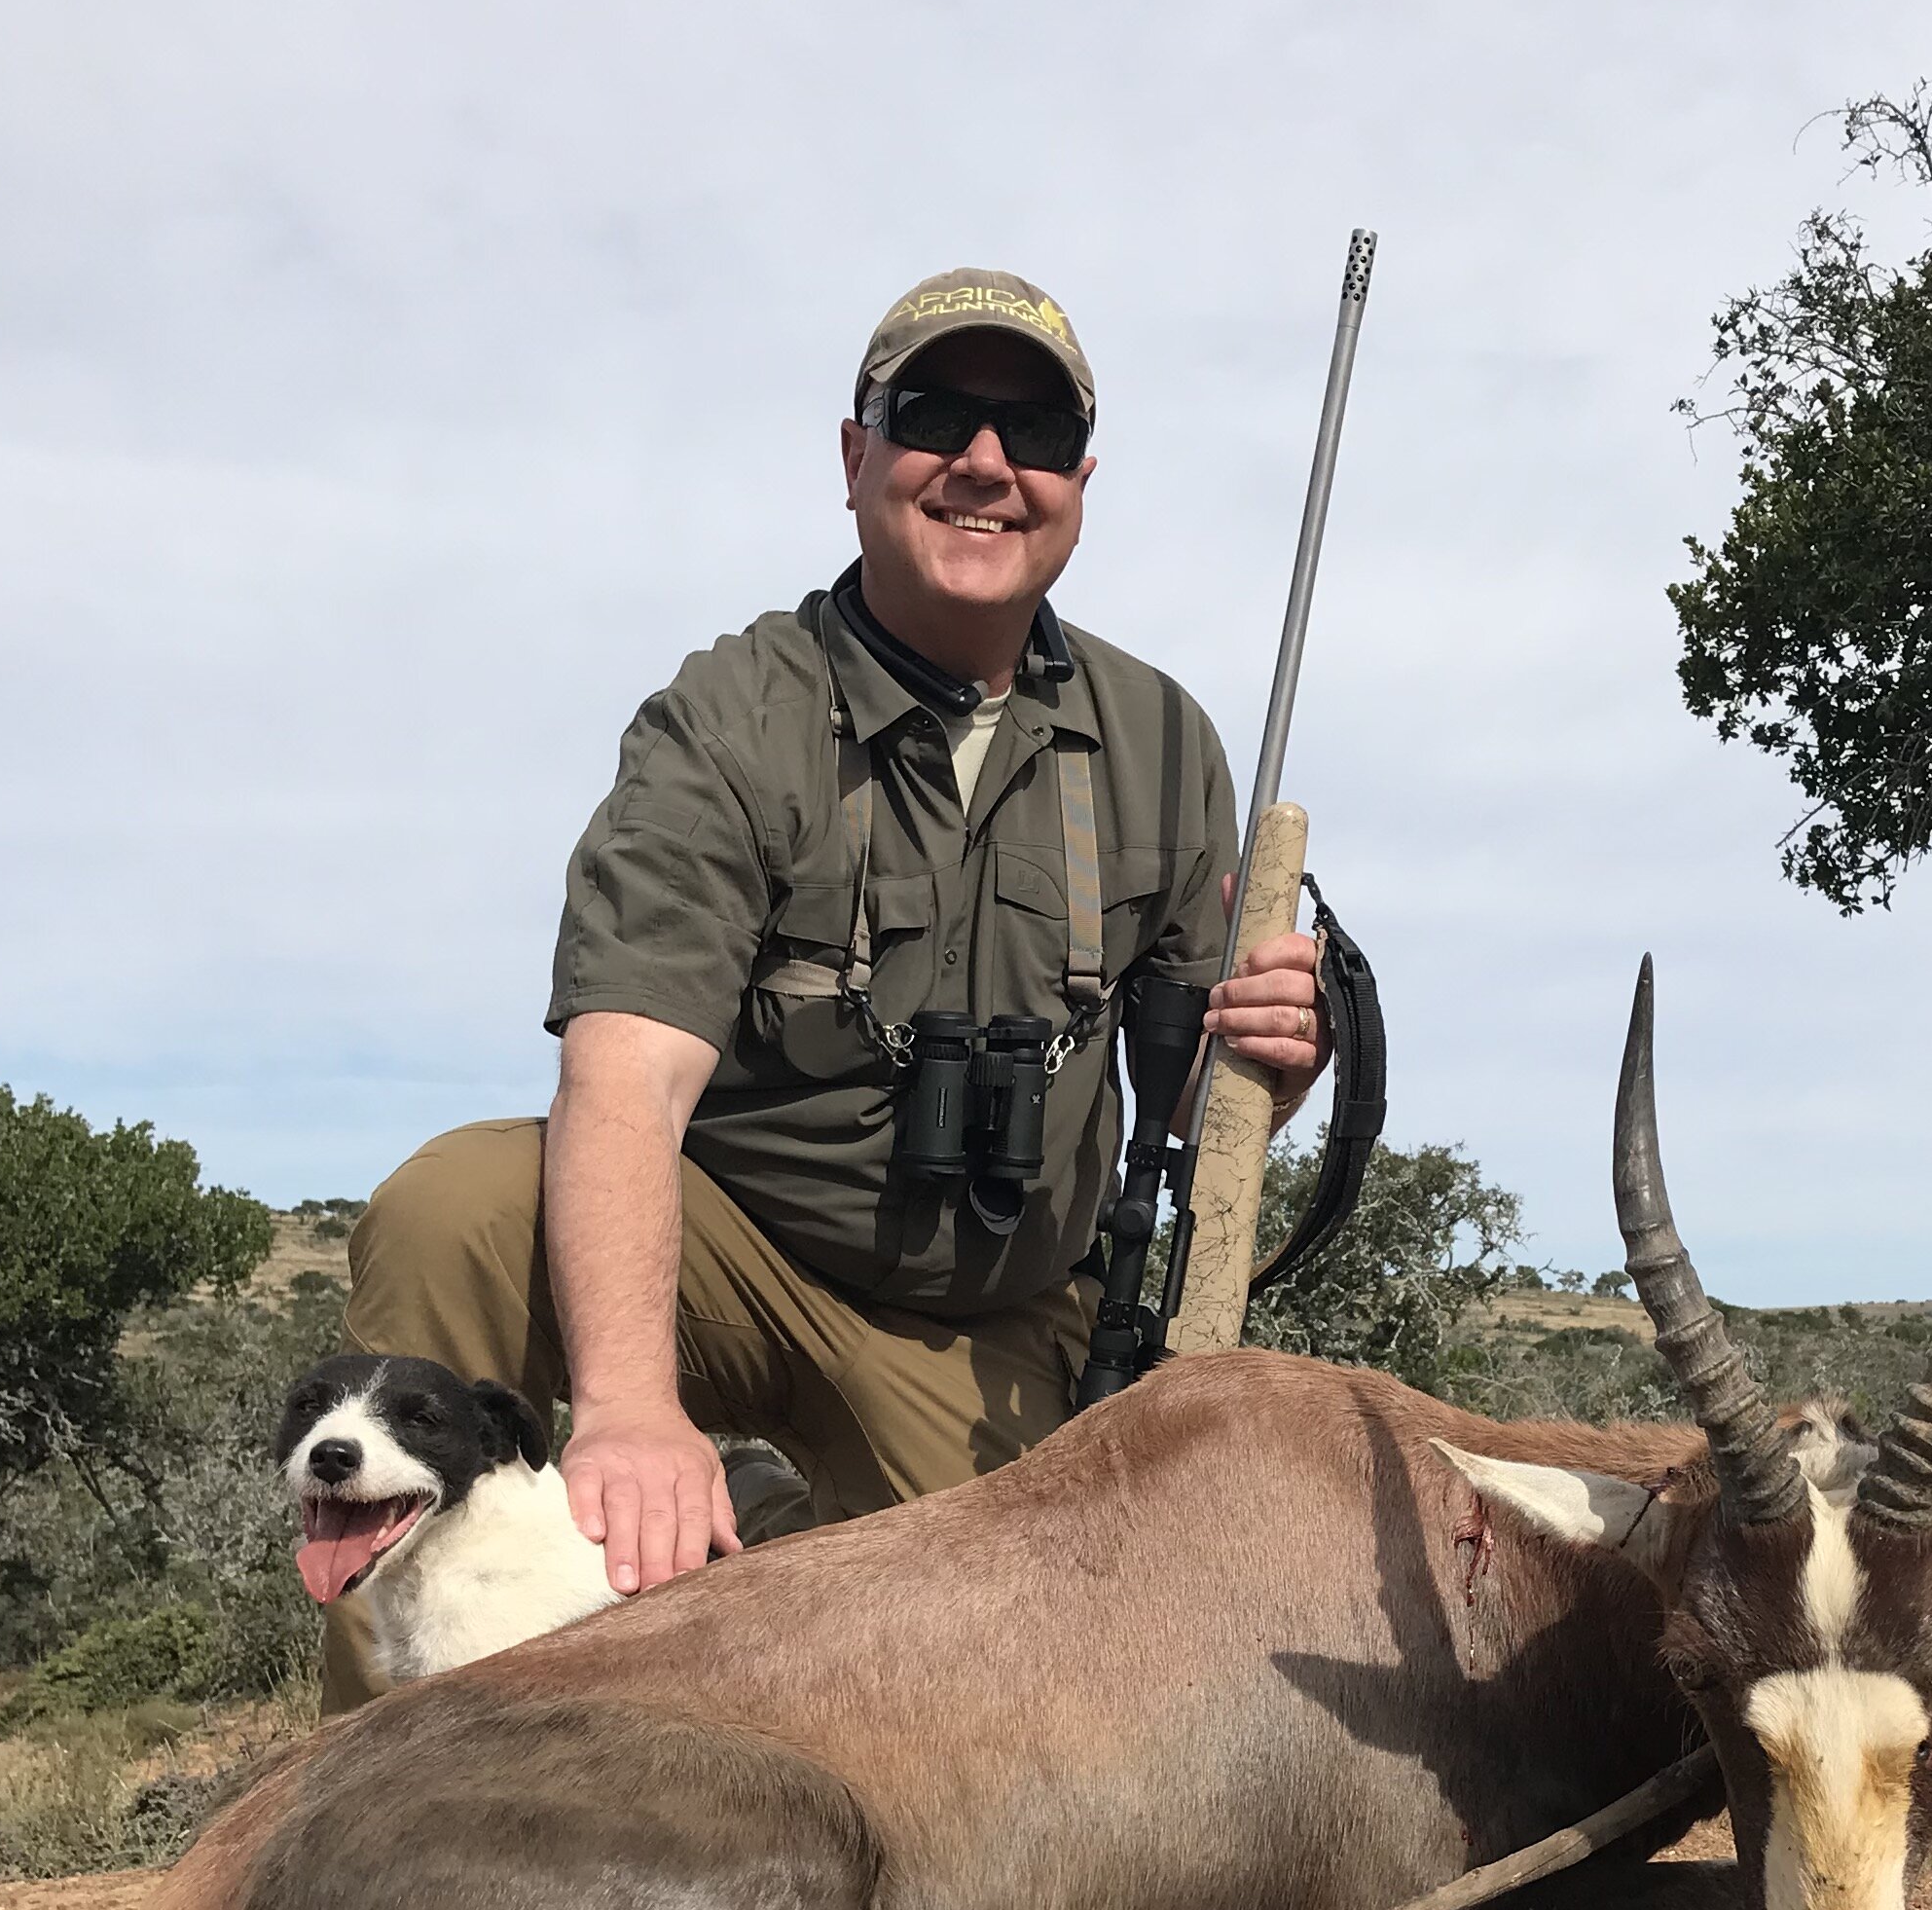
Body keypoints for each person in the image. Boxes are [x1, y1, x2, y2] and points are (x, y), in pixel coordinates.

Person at [323, 269, 1327, 1712]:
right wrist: (625, 1410)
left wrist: (1269, 1068)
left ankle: (784, 1542)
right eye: (936, 416)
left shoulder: (1166, 738)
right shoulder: (729, 716)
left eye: (1033, 431)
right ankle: (378, 1799)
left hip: (993, 1322)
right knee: (455, 1213)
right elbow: (626, 1074)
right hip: (732, 1261)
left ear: (1079, 484)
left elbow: (1181, 1106)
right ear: (856, 457)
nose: (986, 463)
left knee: (1047, 1702)